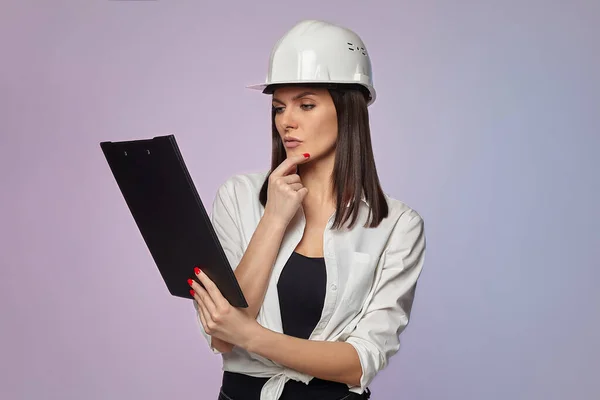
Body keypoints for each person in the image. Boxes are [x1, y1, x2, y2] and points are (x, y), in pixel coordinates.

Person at [188, 19, 426, 400]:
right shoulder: (239, 196)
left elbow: (362, 361)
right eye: (279, 107)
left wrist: (250, 335)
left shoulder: (397, 225)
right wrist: (275, 218)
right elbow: (221, 337)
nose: (287, 121)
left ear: (348, 111)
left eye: (307, 104)